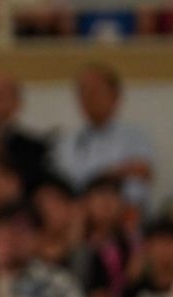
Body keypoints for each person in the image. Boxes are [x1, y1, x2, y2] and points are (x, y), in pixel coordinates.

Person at [51, 63, 155, 212]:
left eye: (95, 92)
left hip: (120, 214)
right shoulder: (67, 140)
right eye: (82, 92)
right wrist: (111, 173)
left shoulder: (134, 136)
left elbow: (141, 174)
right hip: (77, 213)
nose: (88, 98)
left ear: (115, 96)